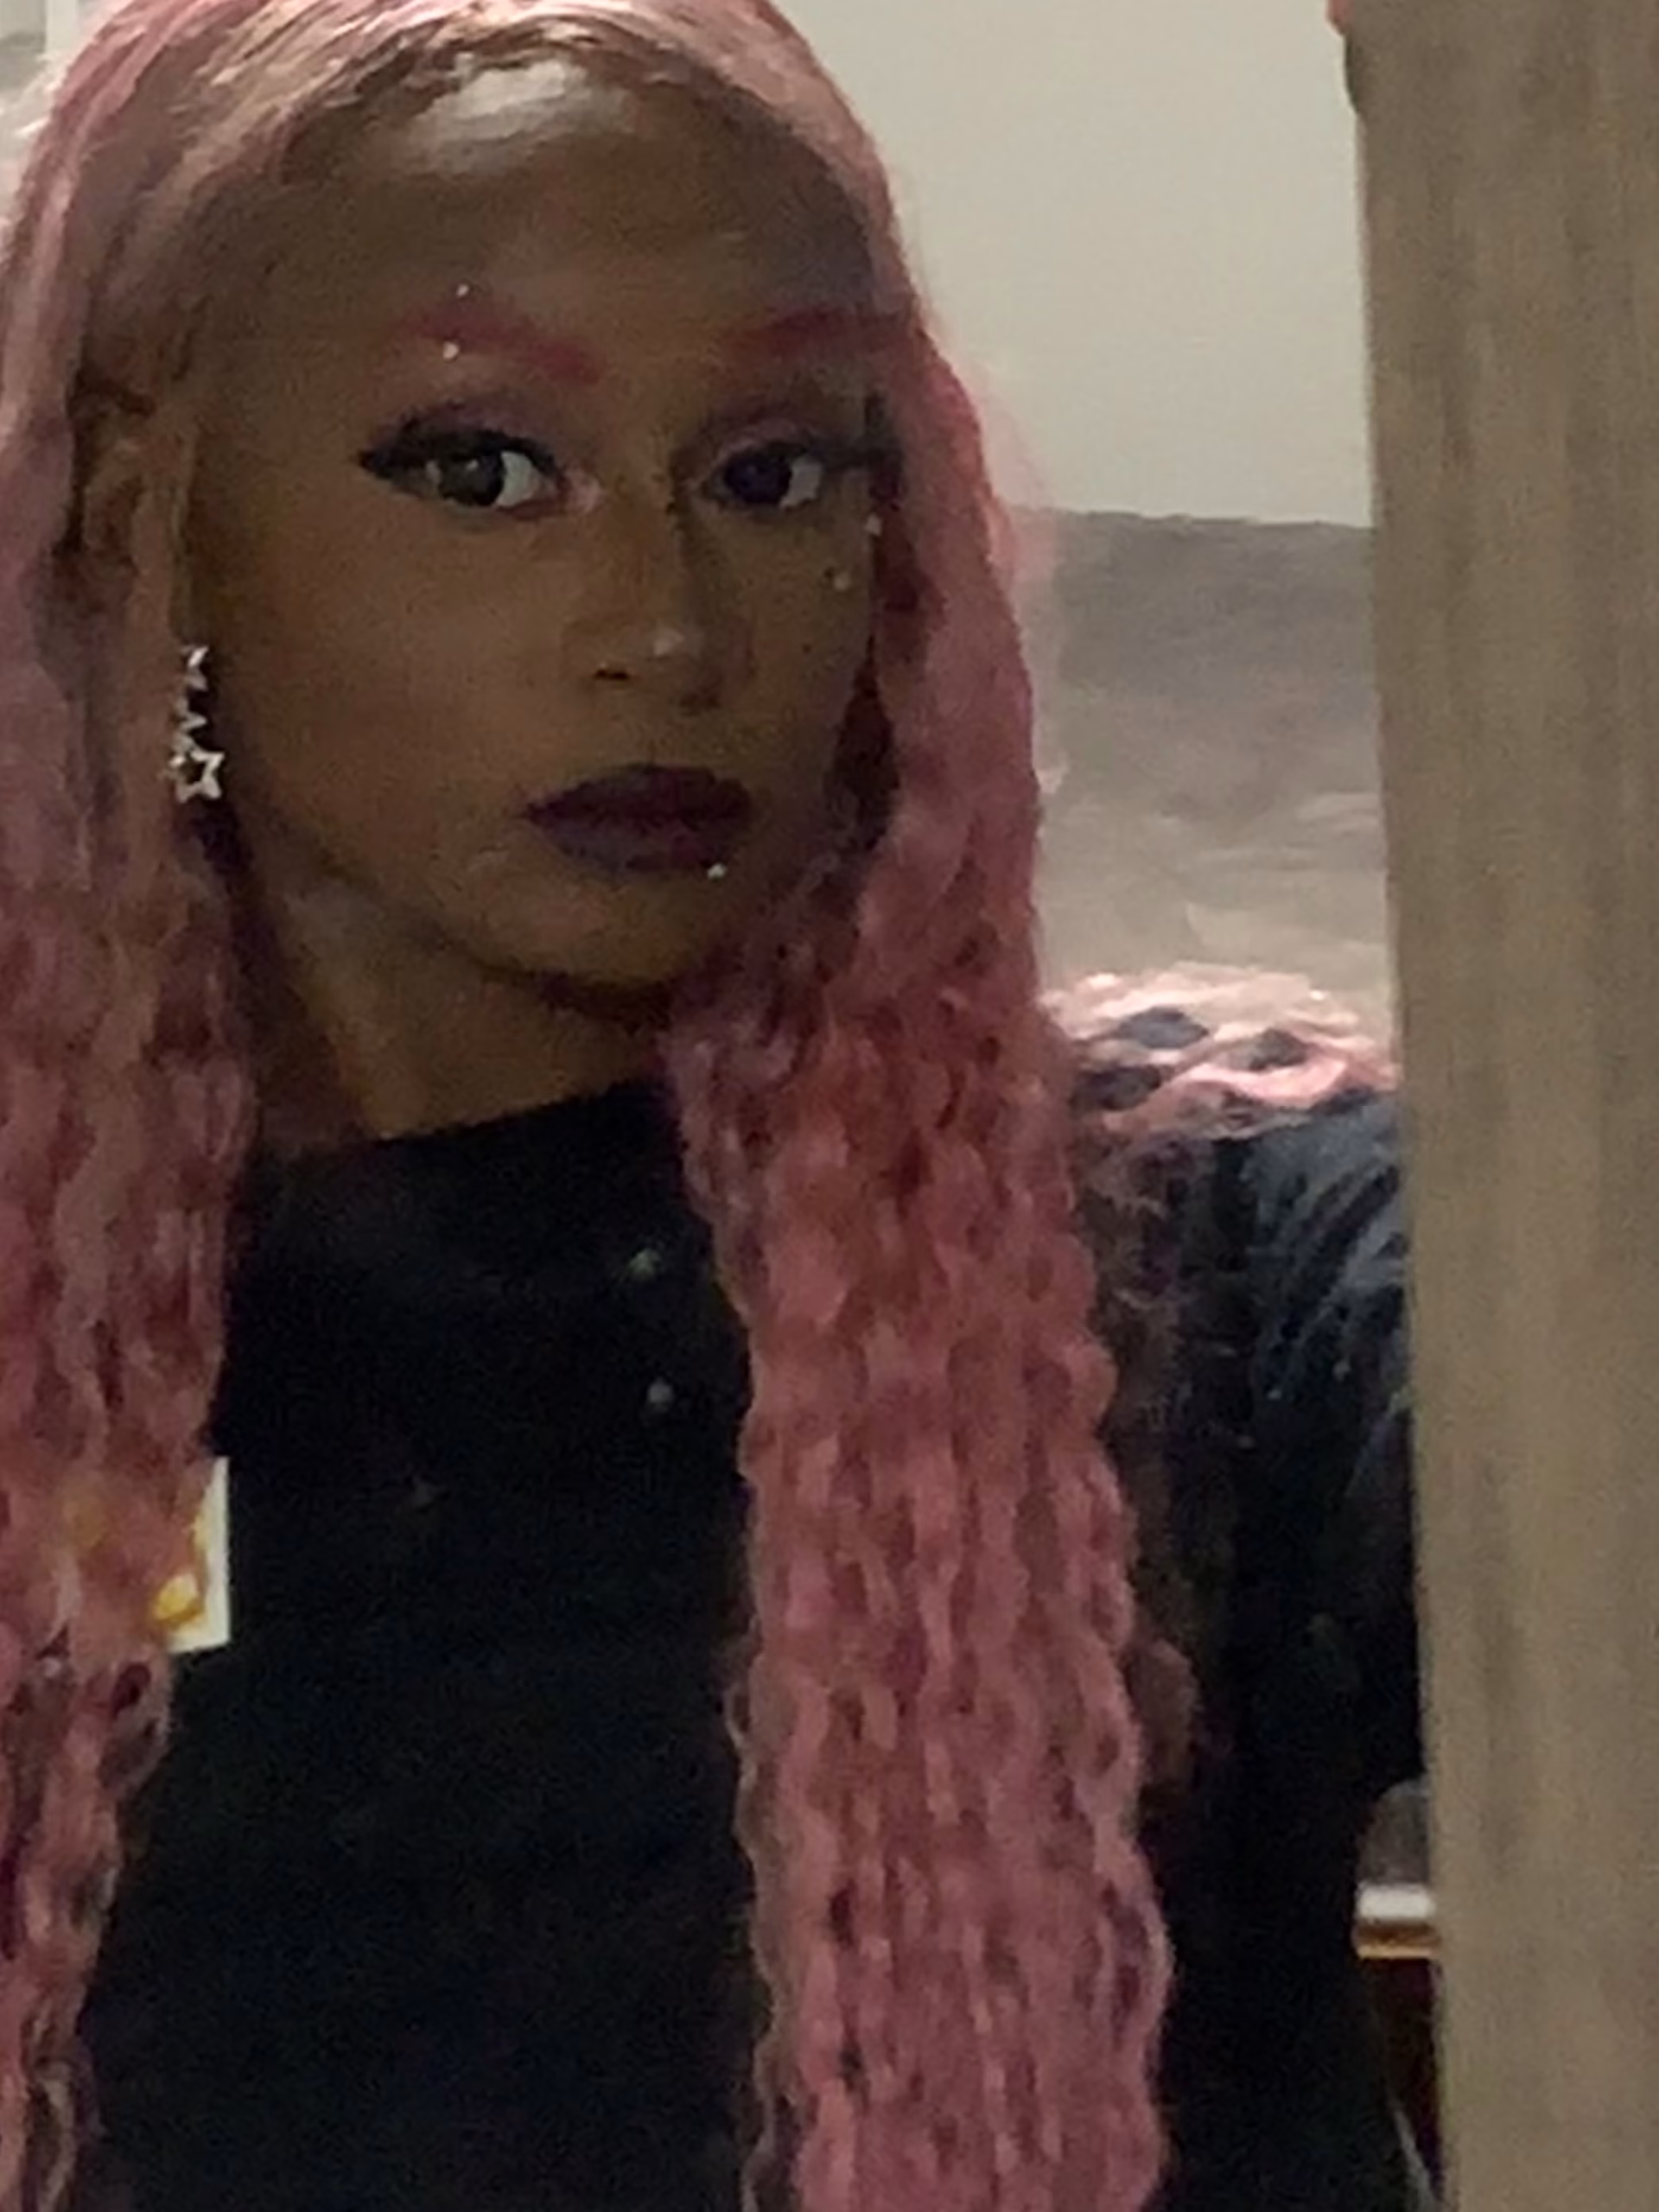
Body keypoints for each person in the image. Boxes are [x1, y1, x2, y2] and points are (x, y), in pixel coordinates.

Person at [0, 3, 1419, 2209]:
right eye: (483, 469)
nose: (665, 629)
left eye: (773, 474)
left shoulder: (1205, 1264)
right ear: (137, 525)